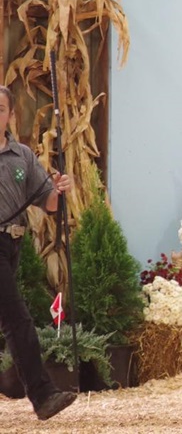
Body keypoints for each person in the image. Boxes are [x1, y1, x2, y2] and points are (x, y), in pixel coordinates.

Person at [0, 85, 77, 420]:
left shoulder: (24, 157)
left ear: (11, 115)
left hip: (13, 243)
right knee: (18, 319)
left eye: (1, 108)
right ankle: (42, 395)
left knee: (9, 321)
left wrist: (60, 189)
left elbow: (47, 203)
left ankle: (13, 383)